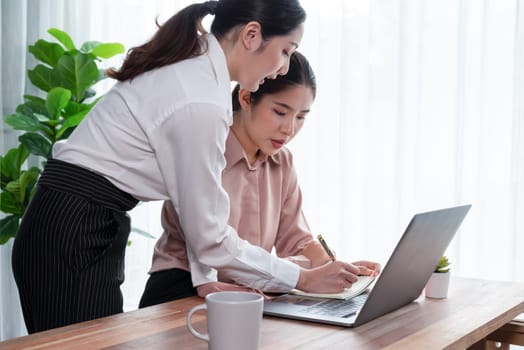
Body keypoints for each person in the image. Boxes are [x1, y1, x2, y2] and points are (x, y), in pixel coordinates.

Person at [11, 0, 359, 334]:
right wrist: (303, 278)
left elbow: (197, 215)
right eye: (286, 50)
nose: (283, 67)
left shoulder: (196, 73)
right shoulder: (201, 100)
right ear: (251, 35)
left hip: (82, 219)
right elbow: (210, 235)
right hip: (74, 227)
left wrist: (205, 278)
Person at [139, 52, 381, 307]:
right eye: (280, 112)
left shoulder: (282, 162)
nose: (289, 129)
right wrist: (304, 277)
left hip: (249, 292)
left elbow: (296, 241)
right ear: (246, 97)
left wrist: (334, 269)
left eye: (301, 117)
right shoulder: (205, 148)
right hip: (184, 288)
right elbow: (209, 244)